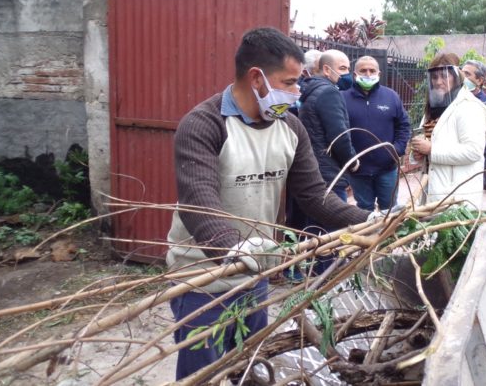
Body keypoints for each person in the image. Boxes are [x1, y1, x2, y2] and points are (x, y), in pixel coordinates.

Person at [165, 27, 370, 380]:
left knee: (250, 366)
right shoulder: (204, 124)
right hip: (202, 280)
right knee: (203, 375)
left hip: (255, 273)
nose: (296, 92)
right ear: (257, 78)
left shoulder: (290, 127)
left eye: (298, 83)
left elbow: (314, 196)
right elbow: (200, 202)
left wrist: (370, 219)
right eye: (288, 83)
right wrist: (234, 248)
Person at [410, 53, 486, 208]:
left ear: (456, 77)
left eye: (444, 76)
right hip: (432, 189)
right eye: (435, 77)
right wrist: (417, 154)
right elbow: (426, 144)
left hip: (457, 196)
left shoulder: (469, 107)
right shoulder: (433, 109)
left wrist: (432, 150)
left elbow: (474, 151)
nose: (438, 82)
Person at [342, 55, 411, 210]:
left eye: (372, 71)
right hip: (358, 170)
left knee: (390, 209)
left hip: (387, 168)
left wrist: (397, 149)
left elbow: (404, 125)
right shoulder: (342, 98)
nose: (368, 74)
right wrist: (350, 158)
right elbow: (339, 131)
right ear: (355, 74)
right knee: (364, 210)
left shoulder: (391, 96)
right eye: (363, 70)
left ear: (379, 74)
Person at [297, 49, 360, 202]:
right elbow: (338, 135)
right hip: (329, 173)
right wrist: (352, 160)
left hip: (314, 169)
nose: (347, 74)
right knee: (335, 214)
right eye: (342, 68)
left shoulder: (312, 90)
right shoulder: (328, 93)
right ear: (326, 69)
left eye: (348, 69)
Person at [460, 59, 486, 187]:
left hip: (474, 166)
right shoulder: (455, 98)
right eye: (462, 73)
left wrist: (471, 154)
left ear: (480, 80)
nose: (463, 77)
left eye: (467, 74)